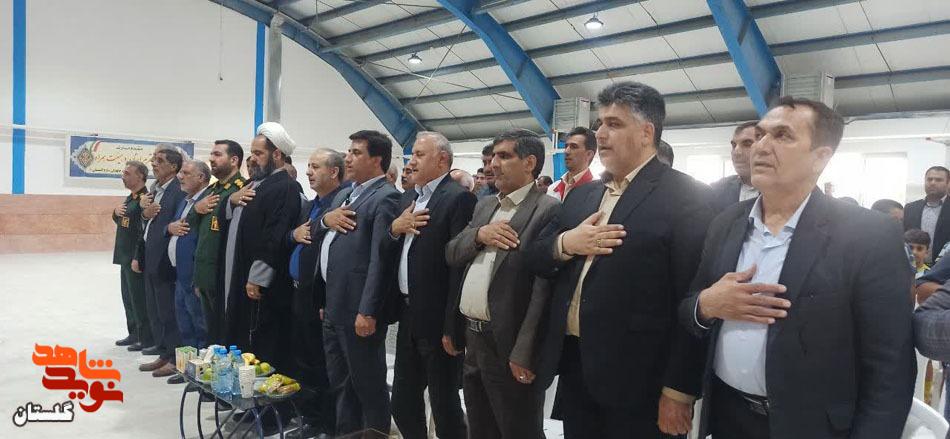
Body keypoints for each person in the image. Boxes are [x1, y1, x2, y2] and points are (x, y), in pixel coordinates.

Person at [680, 97, 915, 439]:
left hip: (812, 426)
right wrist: (707, 305)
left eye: (782, 136)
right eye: (760, 134)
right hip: (729, 416)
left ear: (821, 156)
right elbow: (689, 308)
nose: (761, 146)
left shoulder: (868, 235)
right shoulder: (727, 223)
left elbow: (890, 367)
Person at [526, 81, 713, 438]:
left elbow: (692, 300)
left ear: (646, 133)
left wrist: (679, 390)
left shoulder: (688, 198)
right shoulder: (584, 196)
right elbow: (534, 256)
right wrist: (567, 243)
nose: (600, 134)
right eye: (600, 124)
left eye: (614, 124)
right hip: (578, 367)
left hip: (641, 381)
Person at [446, 129, 558, 439]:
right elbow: (452, 252)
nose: (493, 164)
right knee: (480, 428)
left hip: (508, 342)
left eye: (504, 156)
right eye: (493, 156)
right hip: (474, 337)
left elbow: (542, 290)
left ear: (529, 163)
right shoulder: (485, 206)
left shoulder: (546, 209)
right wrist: (479, 236)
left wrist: (525, 351)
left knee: (517, 429)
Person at [314, 129, 401, 435]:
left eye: (356, 153)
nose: (348, 158)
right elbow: (318, 231)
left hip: (358, 310)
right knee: (341, 384)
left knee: (368, 386)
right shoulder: (345, 194)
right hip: (334, 304)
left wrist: (368, 310)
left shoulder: (386, 197)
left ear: (377, 160)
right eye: (348, 151)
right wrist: (325, 220)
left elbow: (380, 260)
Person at [390, 132, 475, 439]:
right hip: (408, 313)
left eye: (419, 155)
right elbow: (393, 250)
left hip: (438, 319)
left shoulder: (457, 198)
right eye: (412, 154)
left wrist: (453, 326)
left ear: (442, 160)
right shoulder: (410, 199)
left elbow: (458, 267)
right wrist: (394, 229)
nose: (412, 161)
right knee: (402, 402)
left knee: (444, 405)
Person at [221, 122, 301, 376]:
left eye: (258, 153)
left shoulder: (284, 187)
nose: (252, 159)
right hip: (241, 274)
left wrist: (257, 277)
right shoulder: (256, 184)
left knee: (262, 342)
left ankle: (261, 398)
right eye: (252, 153)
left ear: (276, 154)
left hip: (260, 284)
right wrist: (230, 201)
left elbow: (274, 236)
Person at [287, 148, 346, 437]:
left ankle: (327, 423)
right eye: (308, 166)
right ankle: (311, 417)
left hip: (320, 296)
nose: (308, 171)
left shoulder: (341, 203)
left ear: (334, 172)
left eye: (315, 166)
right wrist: (293, 235)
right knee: (305, 359)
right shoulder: (310, 205)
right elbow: (293, 234)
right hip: (299, 292)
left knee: (323, 363)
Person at [135, 145, 186, 379]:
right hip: (151, 257)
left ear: (173, 166)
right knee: (156, 311)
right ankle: (164, 353)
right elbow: (148, 221)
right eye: (154, 159)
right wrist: (144, 213)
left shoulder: (178, 190)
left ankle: (176, 359)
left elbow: (178, 223)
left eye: (160, 160)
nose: (154, 163)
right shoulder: (156, 189)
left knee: (169, 313)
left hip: (166, 261)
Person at [191, 140, 245, 346]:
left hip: (224, 274)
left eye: (217, 155)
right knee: (211, 330)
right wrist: (197, 209)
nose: (211, 159)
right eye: (211, 154)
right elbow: (191, 226)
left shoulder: (242, 189)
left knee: (225, 330)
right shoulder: (211, 190)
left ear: (234, 160)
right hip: (205, 272)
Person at [166, 160, 212, 384]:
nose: (180, 176)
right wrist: (169, 228)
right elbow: (174, 226)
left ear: (201, 177)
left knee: (200, 328)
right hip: (180, 275)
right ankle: (187, 371)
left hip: (194, 277)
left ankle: (201, 376)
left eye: (186, 173)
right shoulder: (186, 201)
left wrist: (198, 278)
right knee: (185, 327)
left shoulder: (208, 201)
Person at [112, 161, 151, 352]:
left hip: (135, 257)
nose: (123, 176)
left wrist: (137, 256)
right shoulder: (131, 198)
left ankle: (145, 337)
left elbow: (142, 228)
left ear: (140, 176)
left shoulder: (146, 199)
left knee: (139, 300)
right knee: (128, 298)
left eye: (127, 173)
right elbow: (124, 219)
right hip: (124, 256)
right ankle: (133, 333)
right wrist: (115, 212)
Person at [905, 166, 950, 263]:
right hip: (913, 265)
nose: (933, 183)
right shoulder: (910, 208)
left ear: (948, 183)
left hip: (944, 268)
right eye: (929, 179)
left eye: (938, 180)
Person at [710, 121, 759, 211]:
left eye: (747, 144)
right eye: (734, 145)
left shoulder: (782, 190)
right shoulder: (717, 190)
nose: (736, 152)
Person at [549, 126, 596, 201]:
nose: (566, 151)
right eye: (566, 146)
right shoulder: (553, 189)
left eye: (574, 147)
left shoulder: (596, 192)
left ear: (589, 154)